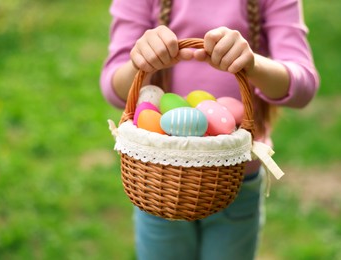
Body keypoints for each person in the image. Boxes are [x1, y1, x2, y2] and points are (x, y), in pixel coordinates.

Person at [100, 0, 319, 259]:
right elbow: (113, 89)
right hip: (160, 180)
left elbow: (304, 86)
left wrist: (252, 65)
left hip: (236, 178)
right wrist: (140, 64)